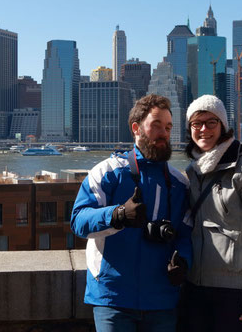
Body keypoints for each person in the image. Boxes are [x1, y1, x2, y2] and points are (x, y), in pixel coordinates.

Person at [71, 94, 192, 332]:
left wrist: (184, 260)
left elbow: (186, 233)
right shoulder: (107, 172)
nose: (164, 133)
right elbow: (78, 220)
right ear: (136, 129)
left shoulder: (179, 183)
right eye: (156, 125)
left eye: (168, 127)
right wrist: (116, 215)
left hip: (163, 299)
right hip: (113, 299)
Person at [180, 95, 242, 332]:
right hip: (195, 288)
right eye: (196, 123)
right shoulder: (192, 171)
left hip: (234, 291)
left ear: (223, 125)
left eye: (211, 122)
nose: (204, 129)